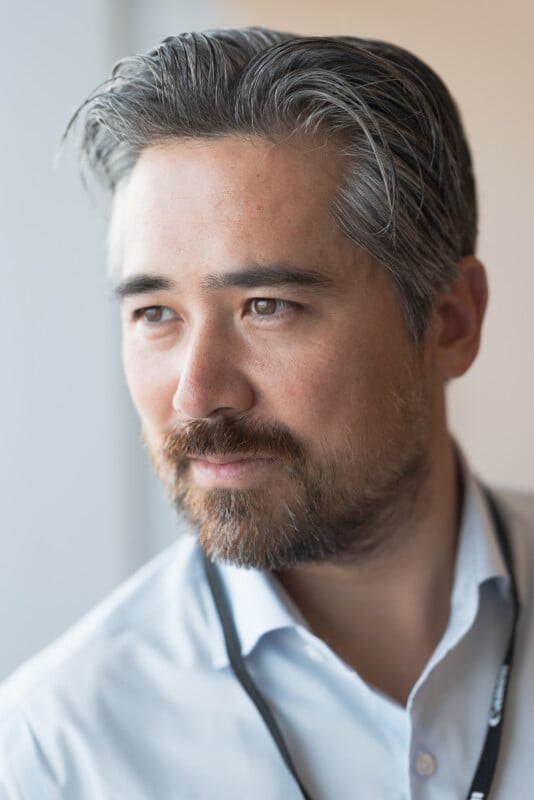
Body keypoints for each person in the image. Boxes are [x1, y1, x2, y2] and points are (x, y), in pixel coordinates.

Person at [0, 27, 532, 800]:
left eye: (266, 306)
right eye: (155, 314)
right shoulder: (54, 754)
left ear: (451, 321)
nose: (195, 394)